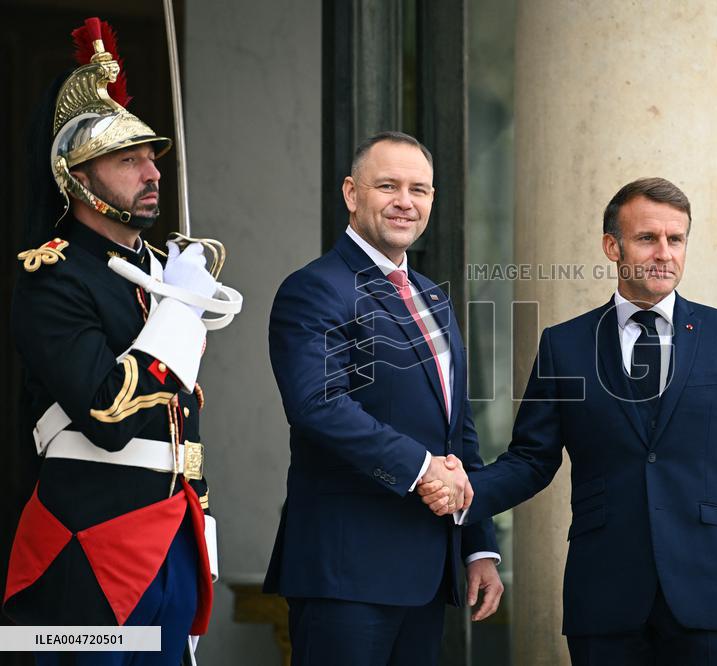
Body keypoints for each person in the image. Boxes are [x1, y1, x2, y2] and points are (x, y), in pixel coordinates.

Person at [422, 177, 717, 664]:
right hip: (603, 594)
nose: (664, 253)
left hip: (707, 592)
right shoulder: (565, 345)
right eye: (647, 238)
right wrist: (465, 490)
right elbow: (531, 460)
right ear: (612, 247)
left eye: (676, 239)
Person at [3, 17, 227, 665]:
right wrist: (178, 313)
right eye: (128, 160)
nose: (151, 172)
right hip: (88, 549)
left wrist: (201, 535)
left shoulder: (161, 273)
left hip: (174, 541)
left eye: (151, 157)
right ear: (77, 177)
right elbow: (107, 416)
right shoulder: (53, 277)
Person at [264, 131, 503, 665]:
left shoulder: (433, 297)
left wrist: (478, 544)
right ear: (352, 194)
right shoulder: (315, 288)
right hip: (346, 573)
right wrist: (423, 469)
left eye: (419, 189)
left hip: (428, 570)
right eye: (388, 186)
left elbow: (457, 430)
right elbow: (318, 405)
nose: (405, 202)